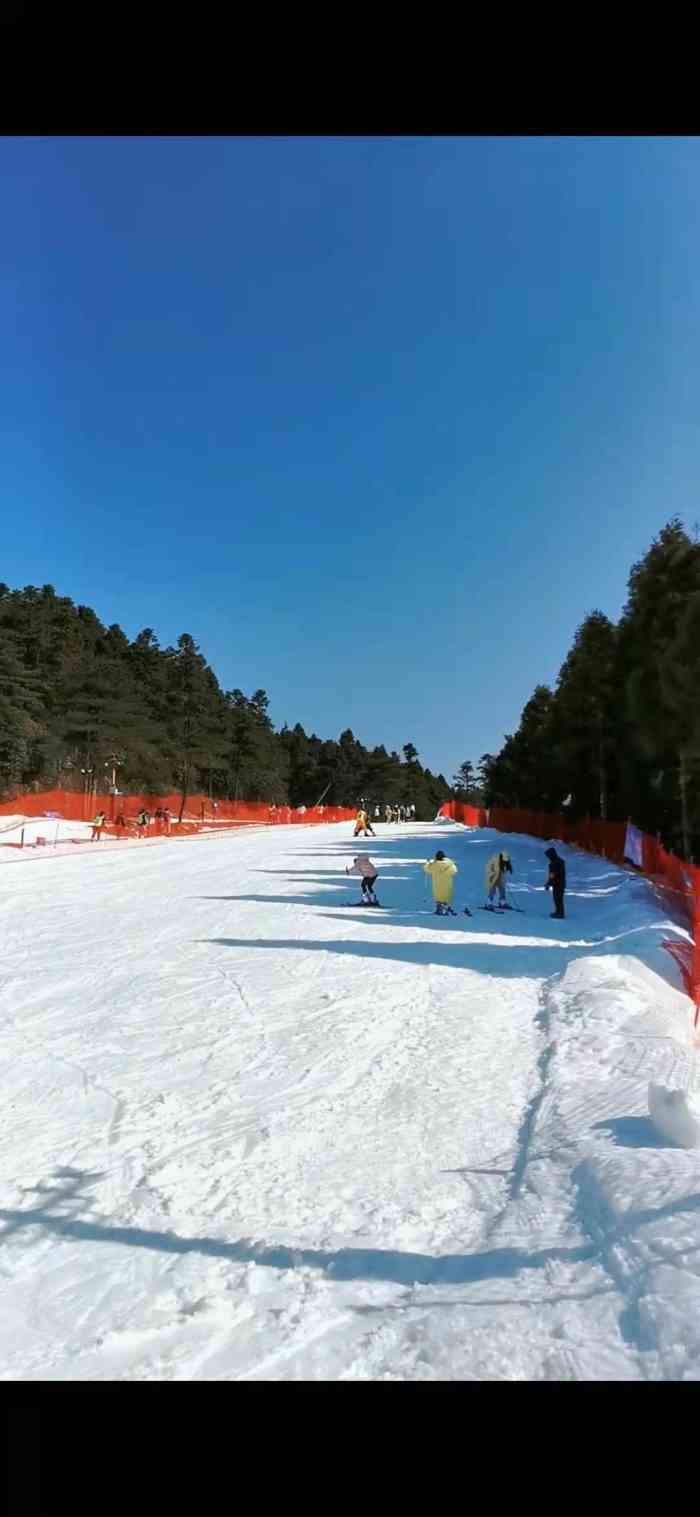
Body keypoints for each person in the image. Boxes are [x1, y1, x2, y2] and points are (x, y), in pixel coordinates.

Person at [424, 849, 458, 915]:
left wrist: (427, 863)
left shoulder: (434, 865)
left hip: (437, 884)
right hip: (447, 883)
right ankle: (445, 907)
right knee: (446, 895)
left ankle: (439, 908)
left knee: (438, 895)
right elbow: (455, 871)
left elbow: (427, 870)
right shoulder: (450, 865)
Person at [544, 847, 566, 918]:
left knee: (558, 898)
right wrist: (549, 883)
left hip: (558, 884)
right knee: (557, 898)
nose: (548, 857)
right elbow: (552, 875)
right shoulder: (557, 862)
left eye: (548, 856)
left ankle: (560, 913)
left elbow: (553, 874)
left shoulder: (555, 863)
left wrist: (548, 883)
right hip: (558, 883)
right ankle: (558, 912)